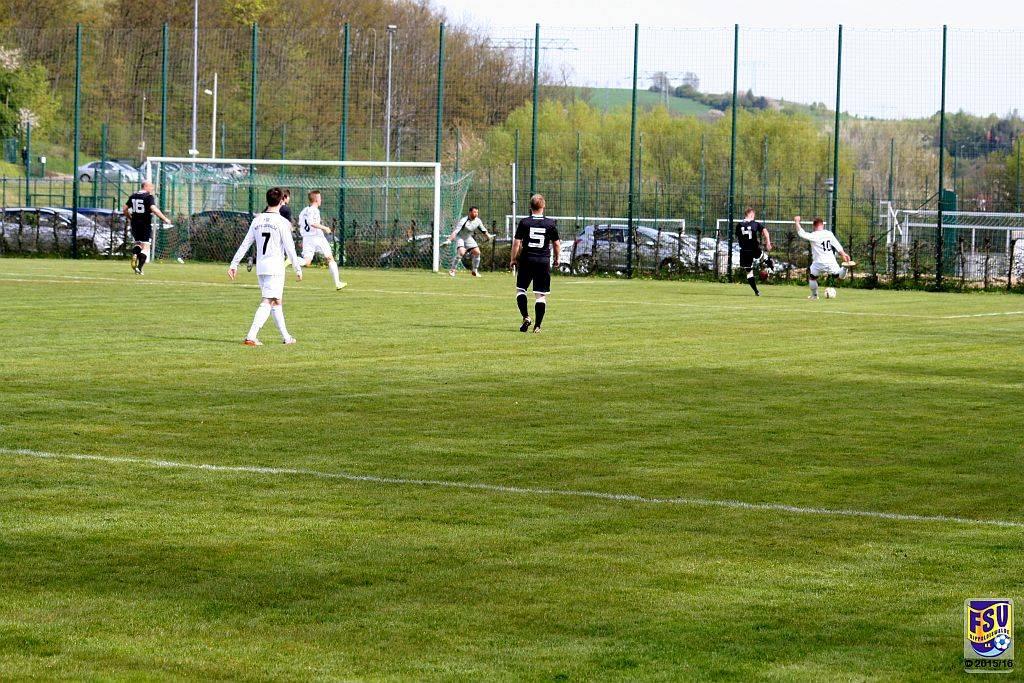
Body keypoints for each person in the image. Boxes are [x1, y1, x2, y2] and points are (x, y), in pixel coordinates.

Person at [229, 187, 303, 345]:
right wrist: (297, 268)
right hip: (275, 267)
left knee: (276, 301)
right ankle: (251, 336)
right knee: (268, 300)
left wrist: (234, 263)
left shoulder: (257, 220)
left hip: (261, 267)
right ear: (281, 201)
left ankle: (286, 337)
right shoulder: (282, 222)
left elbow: (246, 243)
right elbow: (290, 248)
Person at [510, 194, 560, 333]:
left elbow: (516, 243)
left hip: (527, 260)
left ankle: (526, 317)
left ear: (530, 206)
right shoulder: (550, 223)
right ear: (543, 206)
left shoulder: (524, 222)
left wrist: (513, 259)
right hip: (543, 261)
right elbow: (556, 244)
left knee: (521, 290)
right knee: (540, 295)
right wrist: (557, 259)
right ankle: (537, 326)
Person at [793, 215, 854, 300]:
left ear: (814, 226)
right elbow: (836, 244)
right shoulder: (829, 233)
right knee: (839, 276)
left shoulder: (814, 235)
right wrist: (843, 254)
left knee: (812, 278)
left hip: (819, 262)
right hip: (830, 261)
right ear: (823, 225)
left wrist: (797, 222)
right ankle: (844, 268)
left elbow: (801, 233)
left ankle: (814, 296)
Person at [297, 190, 346, 290]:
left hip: (307, 238)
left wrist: (304, 235)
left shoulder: (304, 210)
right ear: (316, 199)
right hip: (317, 237)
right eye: (320, 198)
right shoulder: (314, 210)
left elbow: (300, 223)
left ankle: (293, 260)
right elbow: (312, 223)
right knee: (330, 258)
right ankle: (337, 283)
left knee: (307, 261)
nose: (321, 200)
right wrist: (325, 228)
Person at [123, 180, 172, 275]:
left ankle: (135, 253)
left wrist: (130, 218)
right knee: (146, 247)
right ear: (145, 186)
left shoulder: (133, 196)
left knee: (138, 244)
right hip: (145, 224)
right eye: (151, 186)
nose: (152, 188)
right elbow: (154, 209)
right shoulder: (148, 197)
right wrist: (165, 218)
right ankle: (139, 268)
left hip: (135, 223)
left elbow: (124, 209)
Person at [443, 206, 493, 277]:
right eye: (474, 212)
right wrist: (449, 240)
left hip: (468, 237)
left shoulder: (478, 221)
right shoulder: (463, 220)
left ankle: (474, 271)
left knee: (477, 252)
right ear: (470, 212)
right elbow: (456, 232)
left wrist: (488, 236)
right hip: (460, 237)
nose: (476, 214)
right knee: (461, 252)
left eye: (477, 212)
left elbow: (483, 230)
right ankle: (452, 270)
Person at [735, 207, 773, 296]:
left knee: (749, 272)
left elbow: (738, 236)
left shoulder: (738, 225)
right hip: (754, 249)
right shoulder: (755, 224)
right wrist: (768, 242)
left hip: (744, 251)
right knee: (768, 259)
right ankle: (768, 271)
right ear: (751, 214)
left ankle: (756, 291)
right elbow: (765, 232)